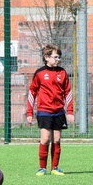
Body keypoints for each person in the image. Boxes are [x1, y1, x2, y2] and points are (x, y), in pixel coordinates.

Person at [26, 44, 74, 176]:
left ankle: (55, 167)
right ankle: (42, 168)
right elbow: (32, 92)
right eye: (55, 57)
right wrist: (29, 112)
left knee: (57, 139)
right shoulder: (40, 73)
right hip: (44, 111)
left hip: (59, 111)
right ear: (46, 57)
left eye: (59, 57)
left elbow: (68, 93)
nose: (58, 59)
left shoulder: (62, 72)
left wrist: (69, 111)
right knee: (45, 138)